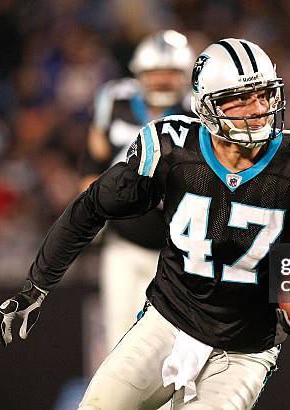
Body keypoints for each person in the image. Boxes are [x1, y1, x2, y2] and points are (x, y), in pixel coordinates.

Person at [0, 38, 290, 409]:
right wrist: (36, 286)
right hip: (167, 322)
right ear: (207, 106)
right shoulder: (172, 151)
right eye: (241, 97)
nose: (258, 108)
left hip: (246, 349)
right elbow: (90, 207)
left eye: (264, 94)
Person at [80, 30, 195, 349]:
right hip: (124, 241)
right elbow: (92, 160)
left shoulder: (197, 112)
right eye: (153, 73)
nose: (160, 81)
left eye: (169, 73)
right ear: (139, 74)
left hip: (176, 250)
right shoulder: (115, 98)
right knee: (119, 334)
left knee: (171, 343)